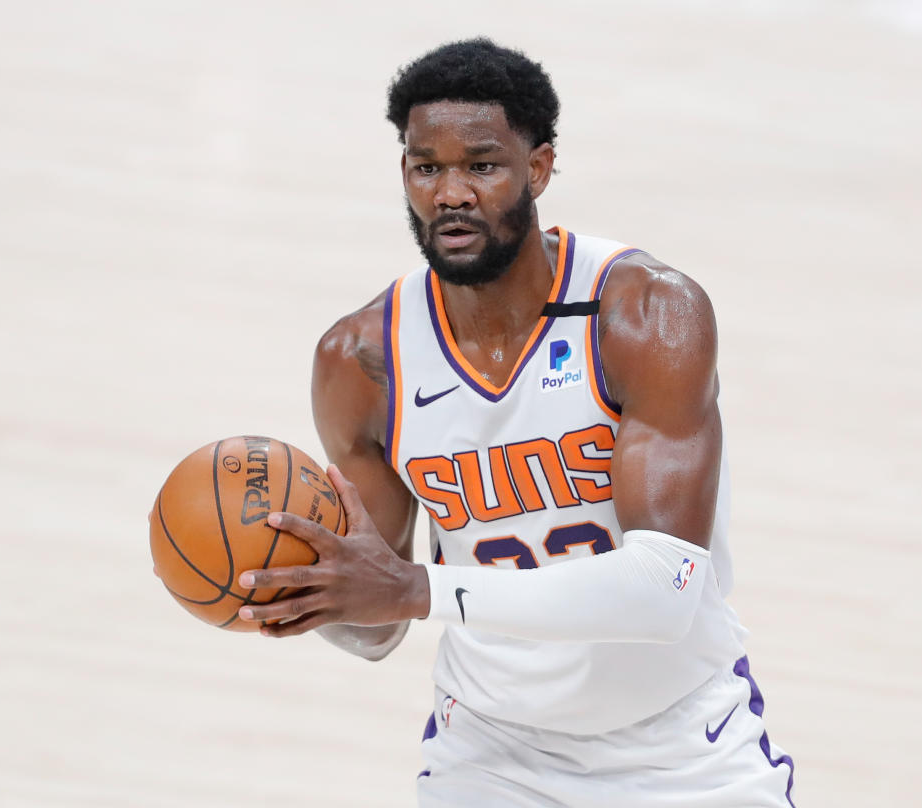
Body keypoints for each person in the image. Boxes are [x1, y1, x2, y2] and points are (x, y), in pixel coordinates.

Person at [233, 38, 796, 807]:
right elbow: (379, 623)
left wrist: (417, 589)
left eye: (481, 165)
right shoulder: (360, 362)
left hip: (680, 746)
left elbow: (666, 592)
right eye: (426, 166)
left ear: (538, 168)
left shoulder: (643, 314)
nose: (451, 192)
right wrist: (302, 592)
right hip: (493, 753)